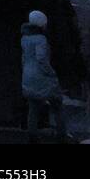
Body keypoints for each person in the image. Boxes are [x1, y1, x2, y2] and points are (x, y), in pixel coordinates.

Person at [21, 10, 69, 143]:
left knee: (33, 107)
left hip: (28, 75)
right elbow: (41, 58)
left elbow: (24, 58)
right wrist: (51, 72)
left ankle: (32, 137)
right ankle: (62, 136)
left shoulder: (24, 38)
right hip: (42, 77)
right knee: (57, 105)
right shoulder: (41, 39)